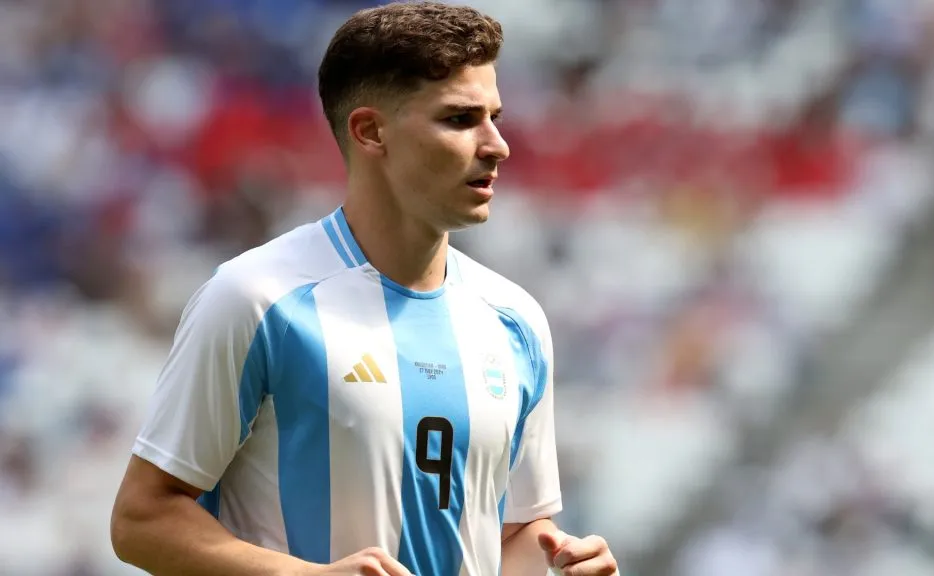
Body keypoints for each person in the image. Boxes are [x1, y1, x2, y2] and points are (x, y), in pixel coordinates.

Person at [109, 3, 619, 576]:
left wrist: (562, 564)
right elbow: (141, 520)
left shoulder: (515, 319)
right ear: (371, 131)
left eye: (494, 116)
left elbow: (517, 531)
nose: (497, 144)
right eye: (460, 119)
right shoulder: (256, 298)